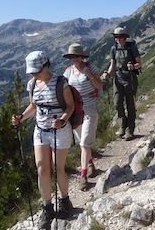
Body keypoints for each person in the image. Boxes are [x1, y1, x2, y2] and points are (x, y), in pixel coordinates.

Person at [12, 51, 74, 229]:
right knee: (42, 170)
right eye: (31, 71)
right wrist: (21, 118)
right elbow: (34, 105)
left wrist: (62, 119)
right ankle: (47, 206)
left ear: (46, 65)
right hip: (40, 130)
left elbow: (70, 106)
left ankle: (65, 200)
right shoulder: (32, 84)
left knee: (57, 168)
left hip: (59, 130)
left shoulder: (61, 82)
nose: (33, 74)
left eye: (36, 70)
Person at [62, 43, 103, 191]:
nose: (75, 59)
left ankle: (83, 175)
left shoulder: (90, 68)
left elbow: (99, 86)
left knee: (84, 143)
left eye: (77, 56)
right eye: (72, 56)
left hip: (90, 107)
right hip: (76, 110)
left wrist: (89, 76)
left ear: (82, 56)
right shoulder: (68, 72)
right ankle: (91, 165)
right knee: (81, 141)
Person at [101, 27, 142, 141]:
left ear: (125, 37)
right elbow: (112, 64)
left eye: (120, 37)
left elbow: (139, 63)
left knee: (130, 105)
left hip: (130, 78)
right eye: (116, 37)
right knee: (117, 103)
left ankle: (130, 129)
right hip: (118, 78)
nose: (118, 39)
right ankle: (123, 123)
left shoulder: (131, 47)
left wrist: (133, 66)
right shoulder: (113, 48)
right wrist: (108, 73)